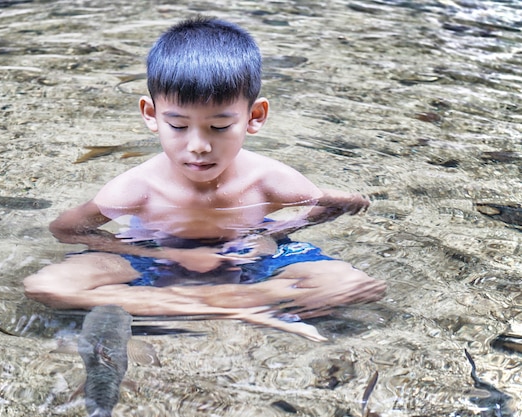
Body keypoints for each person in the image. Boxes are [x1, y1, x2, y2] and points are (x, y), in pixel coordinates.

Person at [24, 16, 386, 341]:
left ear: (255, 117)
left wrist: (270, 235)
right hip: (152, 257)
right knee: (46, 286)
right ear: (151, 115)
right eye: (178, 126)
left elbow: (328, 203)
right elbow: (67, 229)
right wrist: (140, 250)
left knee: (355, 285)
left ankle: (195, 304)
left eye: (219, 126)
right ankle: (239, 304)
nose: (198, 146)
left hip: (249, 261)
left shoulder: (268, 178)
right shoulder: (139, 186)